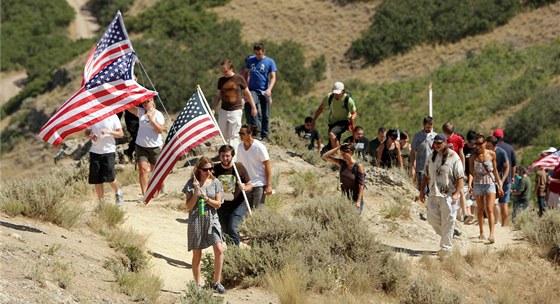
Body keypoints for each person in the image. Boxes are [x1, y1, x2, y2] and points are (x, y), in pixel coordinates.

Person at [182, 157, 226, 294]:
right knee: (197, 253)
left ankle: (217, 282)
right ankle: (197, 283)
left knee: (219, 249)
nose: (209, 172)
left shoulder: (216, 182)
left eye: (210, 169)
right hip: (196, 219)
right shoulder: (191, 183)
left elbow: (219, 204)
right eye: (206, 169)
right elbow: (188, 206)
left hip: (212, 218)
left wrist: (206, 199)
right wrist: (196, 191)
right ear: (199, 170)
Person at [418, 134, 464, 254]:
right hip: (433, 193)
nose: (437, 145)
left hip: (448, 195)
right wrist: (422, 191)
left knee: (448, 221)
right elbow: (426, 175)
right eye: (435, 143)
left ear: (445, 143)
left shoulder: (454, 157)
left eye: (439, 143)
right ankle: (447, 235)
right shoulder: (430, 157)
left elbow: (460, 177)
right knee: (432, 219)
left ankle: (446, 248)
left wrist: (457, 194)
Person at [212, 59, 257, 152]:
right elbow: (218, 95)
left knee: (234, 134)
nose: (224, 73)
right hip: (224, 110)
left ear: (231, 68)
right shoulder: (221, 80)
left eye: (225, 71)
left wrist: (253, 106)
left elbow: (247, 92)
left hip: (236, 110)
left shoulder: (239, 78)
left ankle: (233, 155)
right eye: (222, 71)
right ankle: (225, 152)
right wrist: (213, 108)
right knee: (223, 133)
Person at [213, 145, 252, 246]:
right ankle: (232, 254)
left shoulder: (239, 167)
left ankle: (236, 255)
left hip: (239, 205)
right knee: (226, 232)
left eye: (227, 156)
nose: (225, 159)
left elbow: (249, 185)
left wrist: (244, 187)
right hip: (222, 205)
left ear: (232, 156)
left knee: (233, 228)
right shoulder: (215, 169)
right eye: (222, 156)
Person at [468, 134, 503, 244]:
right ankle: (482, 232)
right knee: (480, 209)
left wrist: (500, 185)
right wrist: (470, 184)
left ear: (485, 143)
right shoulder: (473, 156)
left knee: (489, 209)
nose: (477, 146)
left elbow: (495, 171)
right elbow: (471, 172)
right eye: (476, 143)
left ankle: (491, 234)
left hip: (490, 184)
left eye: (479, 143)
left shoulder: (492, 154)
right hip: (478, 184)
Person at [127, 97, 165, 197]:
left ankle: (161, 187)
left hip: (155, 147)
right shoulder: (141, 112)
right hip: (141, 146)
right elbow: (128, 108)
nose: (145, 103)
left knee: (156, 171)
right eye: (143, 102)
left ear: (152, 101)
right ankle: (145, 194)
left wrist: (151, 119)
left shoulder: (158, 114)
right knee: (143, 170)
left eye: (148, 101)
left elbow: (160, 130)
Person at [85, 115, 124, 206]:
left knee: (109, 177)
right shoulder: (93, 116)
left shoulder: (113, 117)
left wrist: (109, 132)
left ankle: (118, 192)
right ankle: (101, 202)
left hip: (108, 151)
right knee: (97, 180)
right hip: (95, 152)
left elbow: (121, 134)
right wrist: (91, 136)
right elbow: (87, 133)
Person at [243, 43, 277, 141]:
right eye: (256, 54)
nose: (258, 56)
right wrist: (245, 86)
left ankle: (265, 135)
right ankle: (255, 132)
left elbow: (273, 77)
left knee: (265, 114)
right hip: (253, 89)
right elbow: (246, 72)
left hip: (264, 91)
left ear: (263, 51)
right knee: (252, 108)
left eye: (259, 54)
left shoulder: (270, 62)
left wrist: (269, 89)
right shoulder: (251, 60)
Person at [311, 81, 358, 150]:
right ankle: (339, 153)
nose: (336, 95)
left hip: (344, 121)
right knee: (331, 144)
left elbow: (355, 113)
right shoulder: (329, 97)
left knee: (332, 134)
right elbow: (321, 108)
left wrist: (352, 117)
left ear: (343, 91)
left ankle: (337, 155)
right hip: (332, 122)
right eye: (335, 92)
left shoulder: (348, 100)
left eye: (338, 93)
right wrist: (314, 120)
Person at [322, 143, 365, 213]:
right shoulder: (342, 163)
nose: (343, 156)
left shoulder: (358, 166)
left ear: (351, 153)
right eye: (342, 154)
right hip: (344, 198)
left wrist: (358, 201)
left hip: (355, 200)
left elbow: (361, 185)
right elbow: (325, 156)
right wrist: (338, 147)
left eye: (345, 154)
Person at [237, 124, 272, 209]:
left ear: (250, 134)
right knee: (246, 210)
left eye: (242, 133)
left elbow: (267, 165)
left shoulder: (259, 147)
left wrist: (268, 185)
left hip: (259, 184)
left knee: (258, 211)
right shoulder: (240, 147)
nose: (240, 135)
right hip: (247, 184)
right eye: (239, 133)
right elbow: (240, 165)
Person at [486, 136, 510, 227]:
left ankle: (501, 224)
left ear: (494, 145)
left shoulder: (501, 152)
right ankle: (495, 221)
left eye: (489, 146)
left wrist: (502, 180)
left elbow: (507, 167)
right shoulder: (486, 152)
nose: (487, 147)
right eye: (486, 145)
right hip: (488, 179)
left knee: (501, 202)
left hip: (499, 180)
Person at [410, 116, 437, 190]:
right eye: (428, 127)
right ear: (424, 125)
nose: (429, 129)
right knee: (422, 191)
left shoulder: (435, 137)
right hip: (421, 169)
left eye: (431, 127)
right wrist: (412, 167)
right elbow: (413, 152)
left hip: (433, 169)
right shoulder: (417, 136)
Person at [493, 129, 516, 208]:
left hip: (494, 179)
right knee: (504, 202)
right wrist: (512, 177)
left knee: (494, 202)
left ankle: (496, 220)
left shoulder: (492, 148)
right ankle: (504, 220)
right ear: (502, 137)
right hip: (507, 178)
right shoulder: (510, 148)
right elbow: (513, 165)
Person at [462, 131, 478, 223]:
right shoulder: (463, 149)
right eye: (471, 142)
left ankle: (472, 216)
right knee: (466, 195)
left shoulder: (477, 149)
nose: (473, 145)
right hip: (465, 177)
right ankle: (468, 215)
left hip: (476, 177)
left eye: (474, 143)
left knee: (474, 198)